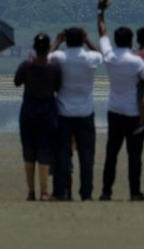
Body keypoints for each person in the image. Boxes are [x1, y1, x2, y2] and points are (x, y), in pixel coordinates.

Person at [96, 0, 144, 201]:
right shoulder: (137, 62)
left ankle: (106, 192)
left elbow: (102, 33)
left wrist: (100, 12)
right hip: (132, 114)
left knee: (111, 154)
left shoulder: (109, 57)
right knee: (134, 156)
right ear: (132, 42)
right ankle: (134, 192)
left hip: (114, 111)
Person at [49, 26, 102, 202]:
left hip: (64, 111)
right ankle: (86, 193)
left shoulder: (60, 57)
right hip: (85, 112)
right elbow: (100, 54)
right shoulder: (90, 58)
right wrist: (88, 40)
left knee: (62, 153)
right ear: (82, 39)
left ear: (66, 40)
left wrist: (57, 40)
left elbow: (46, 57)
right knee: (87, 156)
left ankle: (60, 191)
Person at [14, 33, 62, 200]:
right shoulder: (53, 68)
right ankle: (43, 191)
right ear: (48, 48)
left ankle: (31, 192)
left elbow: (16, 81)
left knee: (28, 150)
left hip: (29, 110)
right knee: (44, 150)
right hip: (48, 110)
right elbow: (58, 87)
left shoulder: (27, 66)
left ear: (34, 47)